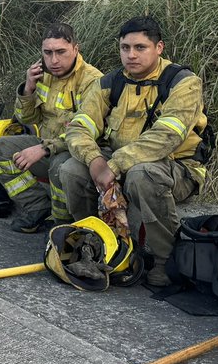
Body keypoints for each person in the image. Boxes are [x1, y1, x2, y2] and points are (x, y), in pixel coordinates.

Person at [60, 16, 208, 287]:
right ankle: (94, 243)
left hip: (175, 168)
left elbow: (166, 137)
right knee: (71, 170)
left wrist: (114, 166)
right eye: (125, 48)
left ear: (159, 48)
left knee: (142, 175)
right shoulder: (110, 82)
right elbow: (78, 127)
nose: (131, 55)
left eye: (140, 47)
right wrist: (94, 160)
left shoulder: (183, 83)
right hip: (118, 163)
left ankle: (165, 259)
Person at [0, 23, 102, 232]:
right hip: (45, 144)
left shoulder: (92, 81)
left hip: (73, 151)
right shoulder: (42, 74)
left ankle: (62, 226)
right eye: (47, 53)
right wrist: (28, 88)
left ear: (76, 49)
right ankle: (37, 207)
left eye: (61, 52)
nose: (54, 60)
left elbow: (88, 133)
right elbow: (27, 119)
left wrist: (44, 148)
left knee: (58, 166)